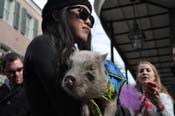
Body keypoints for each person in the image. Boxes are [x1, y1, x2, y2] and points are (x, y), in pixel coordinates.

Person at [23, 0, 94, 116]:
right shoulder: (43, 44)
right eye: (82, 13)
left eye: (91, 18)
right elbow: (70, 106)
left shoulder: (72, 53)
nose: (88, 22)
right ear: (57, 15)